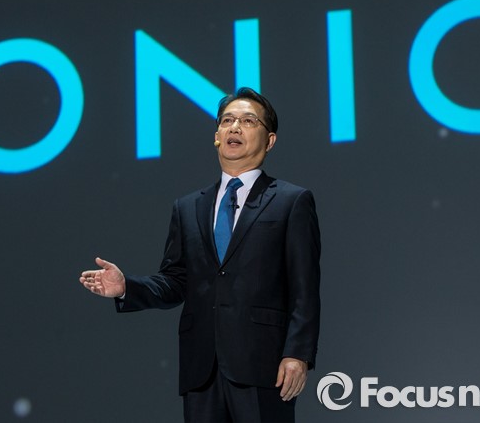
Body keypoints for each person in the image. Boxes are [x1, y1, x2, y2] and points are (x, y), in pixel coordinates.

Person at [80, 87, 321, 423]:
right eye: (227, 120)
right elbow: (176, 281)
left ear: (269, 141)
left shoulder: (291, 201)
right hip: (201, 369)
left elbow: (304, 287)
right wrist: (127, 287)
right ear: (217, 136)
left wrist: (297, 354)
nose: (234, 127)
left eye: (248, 121)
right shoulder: (188, 207)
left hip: (263, 365)